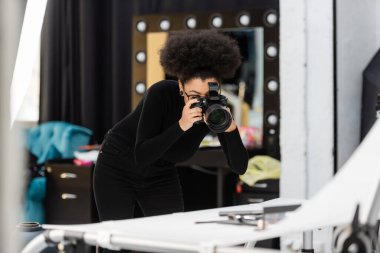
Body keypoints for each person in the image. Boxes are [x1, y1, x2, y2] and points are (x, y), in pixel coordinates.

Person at [93, 30, 249, 245]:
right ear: (180, 86)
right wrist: (181, 125)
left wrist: (230, 129)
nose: (202, 103)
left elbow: (239, 167)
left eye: (208, 96)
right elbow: (142, 155)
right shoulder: (160, 93)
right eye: (194, 96)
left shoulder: (215, 111)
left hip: (160, 173)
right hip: (117, 165)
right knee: (115, 242)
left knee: (173, 241)